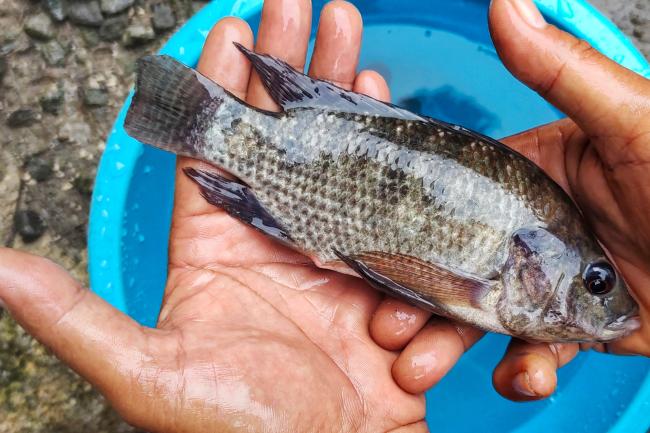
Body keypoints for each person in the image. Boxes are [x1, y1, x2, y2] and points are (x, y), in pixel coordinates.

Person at [0, 0, 648, 431]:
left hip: (330, 171)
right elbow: (411, 275)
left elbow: (403, 272)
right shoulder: (498, 279)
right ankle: (205, 123)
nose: (607, 298)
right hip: (322, 163)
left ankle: (213, 127)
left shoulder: (528, 270)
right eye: (596, 279)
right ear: (532, 255)